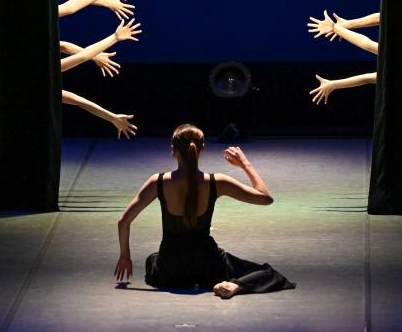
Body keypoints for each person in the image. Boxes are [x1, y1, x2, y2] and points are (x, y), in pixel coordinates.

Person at [114, 124, 296, 298]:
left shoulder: (159, 182)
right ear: (201, 149)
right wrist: (244, 164)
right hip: (209, 269)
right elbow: (266, 198)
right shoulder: (217, 182)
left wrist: (125, 256)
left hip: (170, 271)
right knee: (267, 273)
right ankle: (236, 285)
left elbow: (123, 221)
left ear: (173, 150)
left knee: (152, 259)